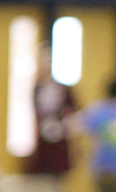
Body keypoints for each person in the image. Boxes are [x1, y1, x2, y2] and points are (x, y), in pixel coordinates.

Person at [27, 42, 78, 179]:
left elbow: (73, 113)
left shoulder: (63, 89)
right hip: (42, 143)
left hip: (58, 141)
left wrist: (62, 128)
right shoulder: (37, 89)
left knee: (56, 180)